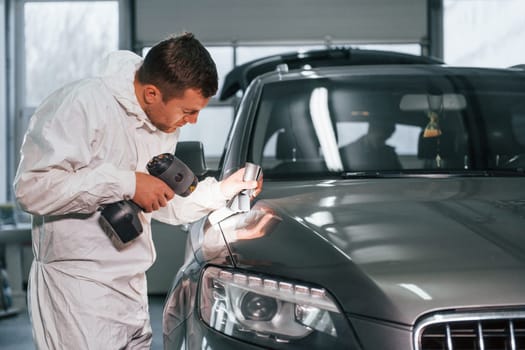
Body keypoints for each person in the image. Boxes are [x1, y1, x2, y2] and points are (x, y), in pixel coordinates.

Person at [13, 32, 262, 349]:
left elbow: (164, 204)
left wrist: (222, 190)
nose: (194, 121)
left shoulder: (160, 125)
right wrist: (126, 183)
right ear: (152, 94)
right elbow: (30, 189)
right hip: (77, 290)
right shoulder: (82, 104)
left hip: (130, 285)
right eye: (188, 111)